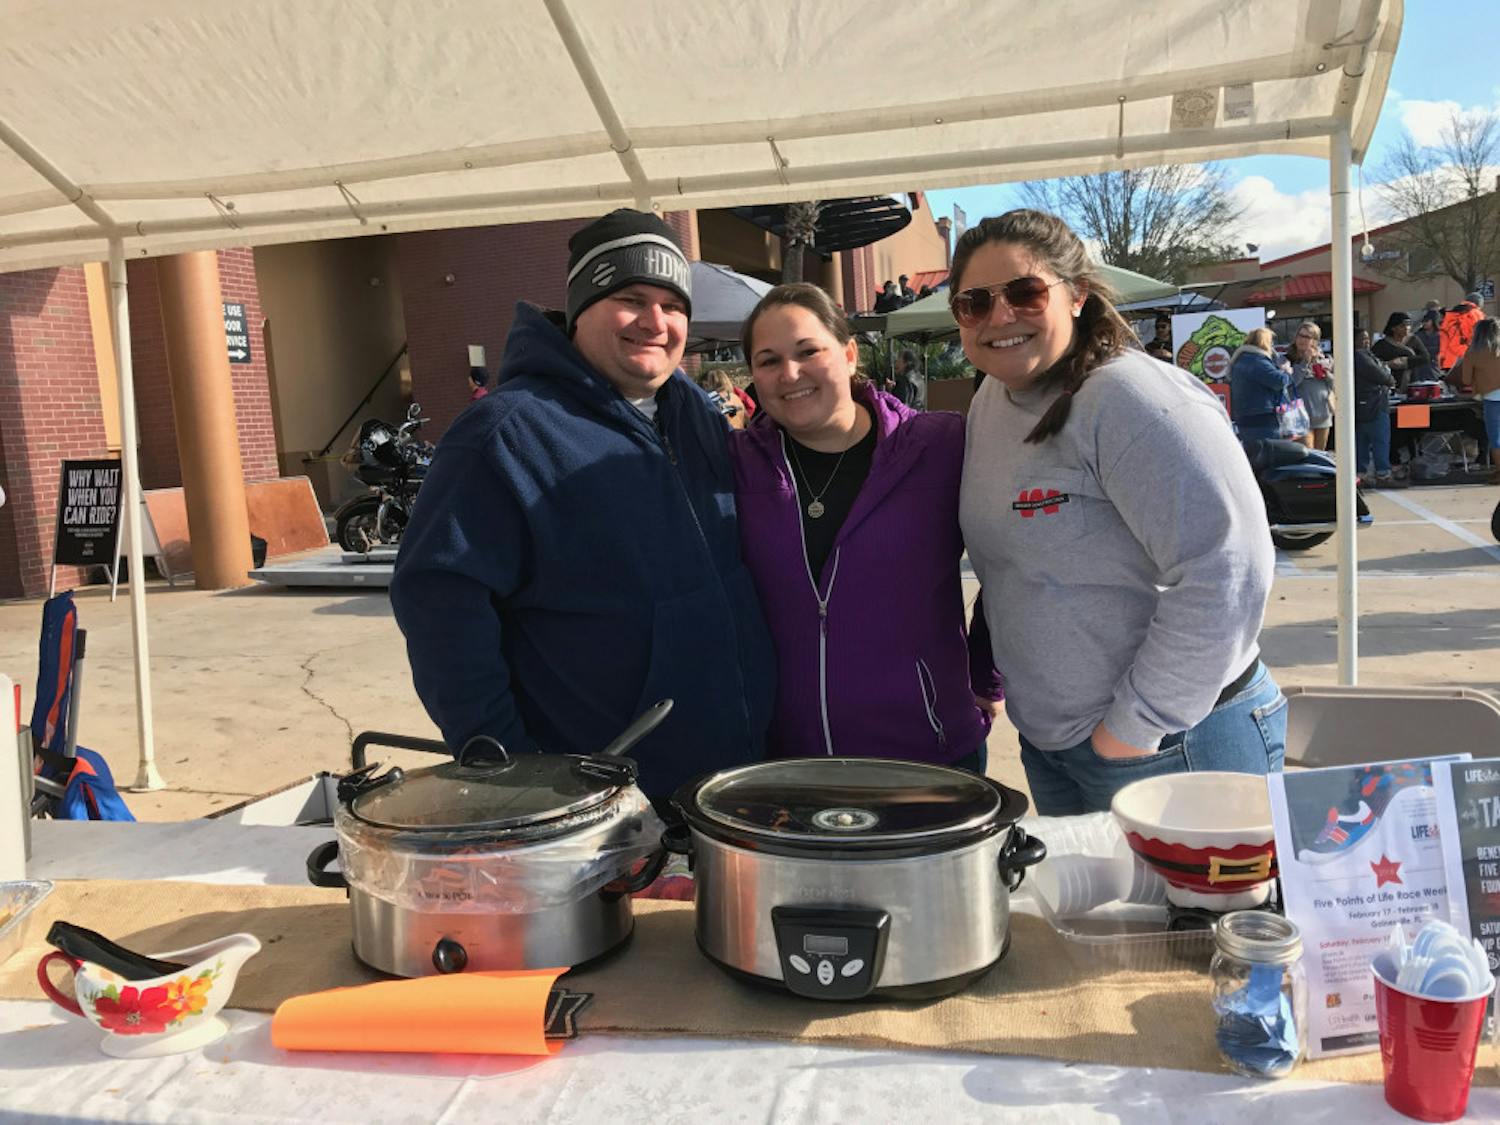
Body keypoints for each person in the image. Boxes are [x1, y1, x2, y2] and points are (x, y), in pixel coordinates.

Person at [389, 209, 776, 803]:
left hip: (730, 779)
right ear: (581, 307)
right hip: (598, 798)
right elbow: (440, 609)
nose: (656, 321)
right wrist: (512, 772)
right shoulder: (504, 434)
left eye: (673, 306)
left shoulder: (698, 414)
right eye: (631, 297)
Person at [953, 209, 1281, 816]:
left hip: (1171, 744)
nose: (1000, 317)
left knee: (1195, 916)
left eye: (1025, 292)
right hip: (1054, 745)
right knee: (1094, 916)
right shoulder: (992, 400)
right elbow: (1009, 569)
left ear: (1076, 294)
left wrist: (1132, 730)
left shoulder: (1133, 400)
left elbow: (1228, 569)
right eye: (975, 303)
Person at [730, 283, 1002, 771]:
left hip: (928, 754)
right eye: (768, 360)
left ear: (851, 353)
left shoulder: (940, 446)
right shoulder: (735, 465)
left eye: (808, 351)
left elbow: (1012, 568)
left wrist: (986, 675)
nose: (790, 373)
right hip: (786, 765)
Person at [1352, 328, 1403, 489]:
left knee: (1362, 443)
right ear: (1353, 340)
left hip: (1361, 407)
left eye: (1367, 338)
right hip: (1374, 405)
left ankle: (1362, 475)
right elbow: (1381, 376)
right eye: (1362, 338)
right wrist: (1389, 378)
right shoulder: (1360, 356)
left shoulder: (1352, 356)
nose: (1366, 341)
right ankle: (1383, 474)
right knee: (1380, 441)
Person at [1228, 327, 1291, 442]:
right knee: (1268, 453)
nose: (1272, 346)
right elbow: (1279, 381)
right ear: (1264, 342)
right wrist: (1286, 372)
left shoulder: (1241, 359)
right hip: (1262, 418)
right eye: (1271, 341)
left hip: (1244, 417)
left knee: (1253, 454)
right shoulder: (1257, 360)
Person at [1462, 317, 1500, 484]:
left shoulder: (1473, 352)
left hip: (1491, 397)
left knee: (1496, 437)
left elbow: (1465, 379)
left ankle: (1499, 470)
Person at [1288, 321, 1334, 450]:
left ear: (1315, 341)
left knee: (1320, 454)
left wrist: (1326, 373)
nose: (1302, 340)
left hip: (1322, 414)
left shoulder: (1324, 358)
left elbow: (1333, 385)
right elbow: (1292, 382)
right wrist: (1305, 362)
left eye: (1307, 337)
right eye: (1300, 335)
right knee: (1307, 454)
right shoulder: (1287, 359)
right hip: (1299, 416)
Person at [1372, 312, 1432, 391]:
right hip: (1391, 385)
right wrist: (1388, 364)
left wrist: (1406, 361)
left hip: (1413, 384)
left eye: (1408, 325)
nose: (1406, 328)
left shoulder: (1413, 340)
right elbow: (1372, 364)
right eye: (1402, 326)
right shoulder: (1382, 345)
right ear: (1393, 328)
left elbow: (1425, 358)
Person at [1440, 293, 1484, 372]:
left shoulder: (1451, 314)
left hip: (1447, 361)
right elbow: (1480, 337)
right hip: (1465, 359)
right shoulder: (1476, 314)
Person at [1416, 306, 1444, 370]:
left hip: (1436, 368)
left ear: (1433, 320)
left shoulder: (1441, 336)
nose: (1424, 323)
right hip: (1420, 367)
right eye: (1422, 321)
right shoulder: (1418, 335)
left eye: (1426, 321)